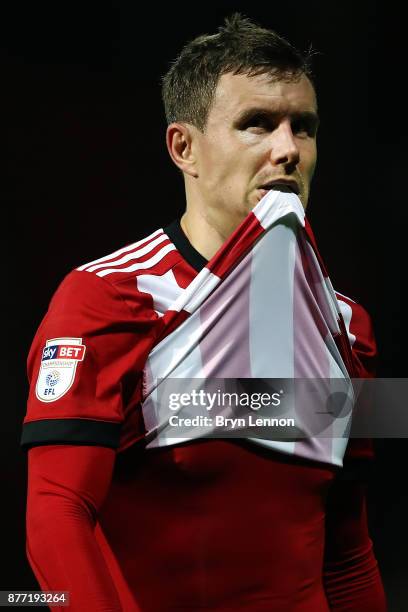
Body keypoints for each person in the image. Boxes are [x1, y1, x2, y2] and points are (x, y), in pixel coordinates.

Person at [21, 13, 387, 612]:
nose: (288, 149)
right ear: (183, 147)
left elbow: (347, 551)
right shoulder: (106, 299)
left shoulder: (349, 327)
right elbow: (56, 517)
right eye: (257, 124)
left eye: (305, 127)